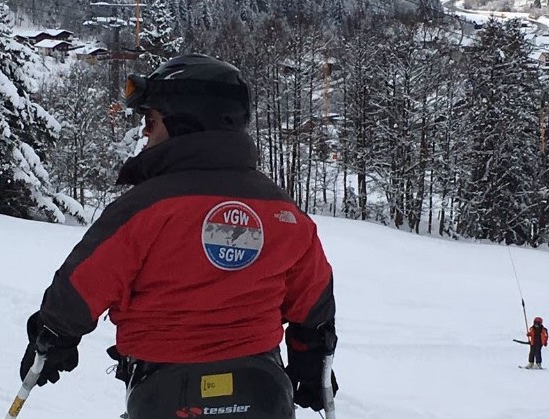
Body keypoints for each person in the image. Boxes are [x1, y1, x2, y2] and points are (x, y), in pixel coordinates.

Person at [19, 54, 337, 419]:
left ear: (187, 123)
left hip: (167, 392)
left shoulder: (145, 208)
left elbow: (81, 284)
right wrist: (310, 356)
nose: (144, 132)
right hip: (262, 391)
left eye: (151, 121)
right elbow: (313, 302)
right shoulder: (283, 212)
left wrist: (53, 337)